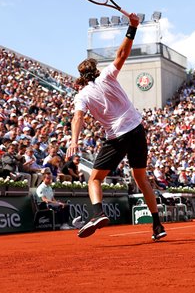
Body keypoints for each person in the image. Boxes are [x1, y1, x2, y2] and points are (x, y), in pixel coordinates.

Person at [66, 13, 166, 240]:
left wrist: (73, 141)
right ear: (95, 70)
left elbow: (77, 118)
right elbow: (122, 53)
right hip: (137, 129)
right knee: (141, 178)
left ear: (81, 76)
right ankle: (157, 225)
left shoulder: (81, 95)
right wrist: (132, 27)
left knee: (94, 179)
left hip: (117, 137)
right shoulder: (108, 76)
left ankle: (98, 213)